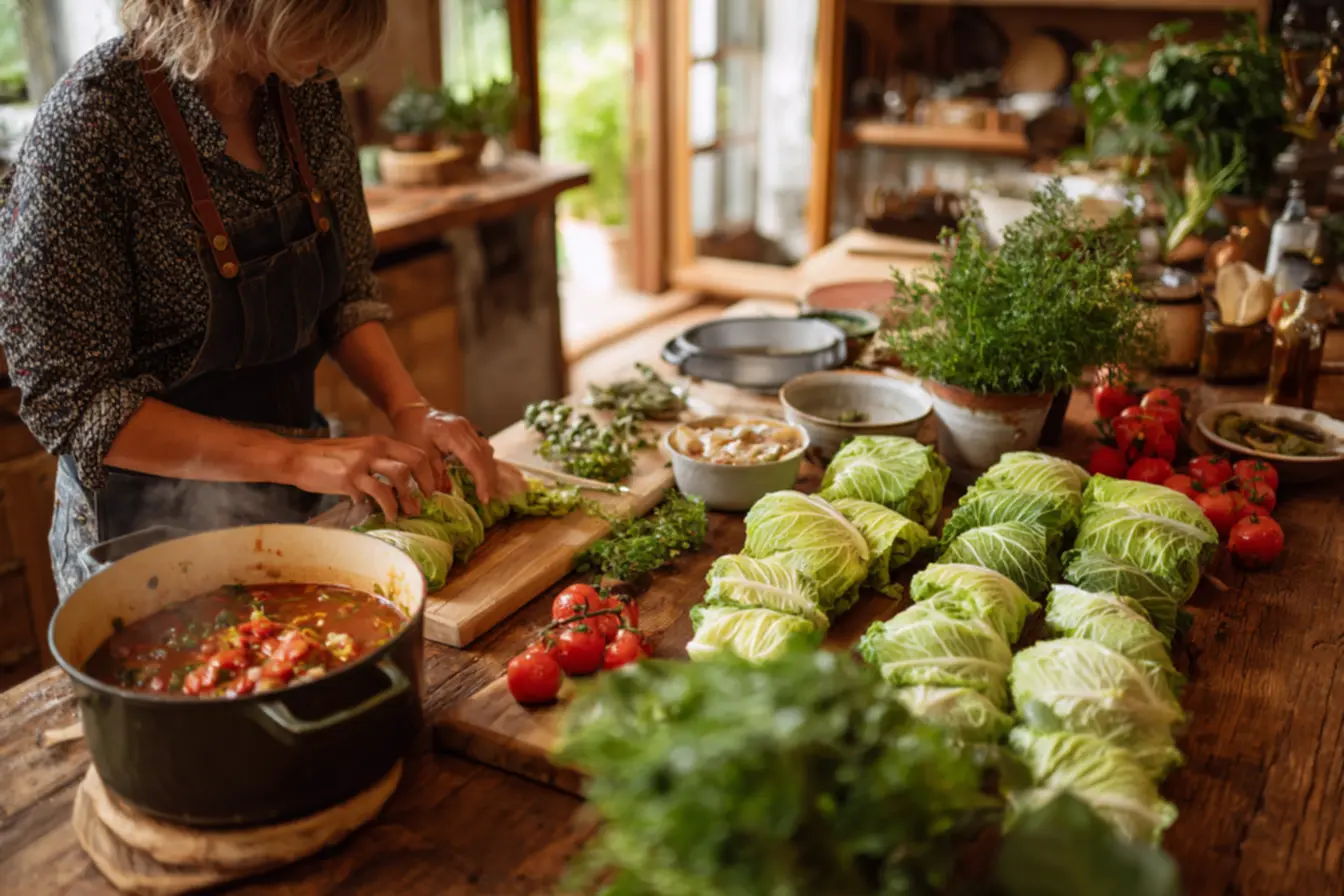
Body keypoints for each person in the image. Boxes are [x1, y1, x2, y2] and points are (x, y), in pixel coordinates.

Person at [0, 0, 519, 599]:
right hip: (145, 543)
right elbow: (75, 405)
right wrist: (296, 459)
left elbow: (347, 292)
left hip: (296, 502)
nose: (333, 58)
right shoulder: (91, 122)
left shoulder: (304, 87)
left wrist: (410, 408)